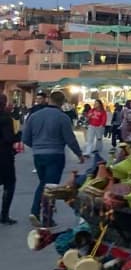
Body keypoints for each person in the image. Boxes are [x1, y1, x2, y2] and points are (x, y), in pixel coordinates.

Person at [21, 90, 85, 222]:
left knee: (43, 183)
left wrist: (37, 147)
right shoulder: (63, 118)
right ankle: (46, 217)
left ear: (49, 100)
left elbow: (25, 138)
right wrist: (79, 154)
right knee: (52, 187)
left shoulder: (34, 116)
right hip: (55, 155)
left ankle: (36, 211)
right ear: (62, 103)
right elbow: (70, 139)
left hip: (38, 155)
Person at [0, 94, 19, 224]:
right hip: (4, 155)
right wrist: (17, 136)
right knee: (9, 184)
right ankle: (4, 215)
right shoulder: (6, 118)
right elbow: (8, 138)